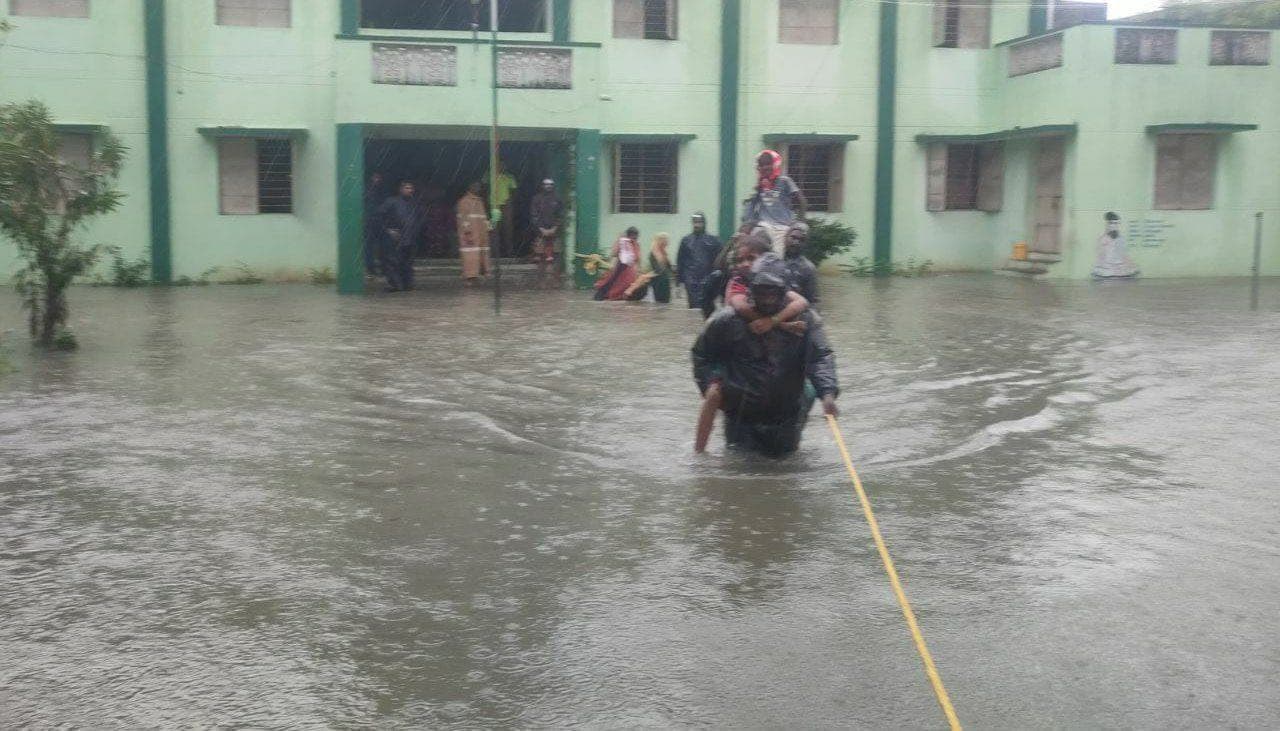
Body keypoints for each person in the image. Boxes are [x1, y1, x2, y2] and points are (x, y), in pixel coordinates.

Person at [691, 256, 840, 457]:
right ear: (751, 289)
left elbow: (821, 357)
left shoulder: (805, 320)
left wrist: (828, 394)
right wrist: (713, 385)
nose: (767, 298)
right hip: (741, 416)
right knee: (738, 466)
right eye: (762, 291)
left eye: (773, 292)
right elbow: (701, 354)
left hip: (787, 415)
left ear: (785, 291)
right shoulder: (728, 320)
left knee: (786, 468)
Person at [742, 149, 806, 254]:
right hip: (764, 225)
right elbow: (753, 205)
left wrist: (800, 225)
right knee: (753, 248)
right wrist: (747, 223)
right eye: (761, 165)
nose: (765, 167)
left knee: (777, 256)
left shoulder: (784, 181)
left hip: (783, 226)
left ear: (775, 164)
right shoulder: (760, 185)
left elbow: (802, 202)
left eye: (768, 164)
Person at [376, 180, 425, 292]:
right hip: (395, 239)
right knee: (393, 263)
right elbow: (378, 216)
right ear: (401, 189)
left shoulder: (415, 203)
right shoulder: (391, 202)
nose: (409, 190)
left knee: (408, 263)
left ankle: (408, 285)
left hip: (410, 239)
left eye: (411, 188)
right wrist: (388, 230)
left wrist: (417, 230)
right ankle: (396, 285)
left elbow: (421, 218)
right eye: (407, 188)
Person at [676, 212, 723, 310]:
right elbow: (680, 261)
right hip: (690, 279)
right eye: (694, 222)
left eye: (699, 222)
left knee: (706, 305)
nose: (696, 225)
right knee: (694, 306)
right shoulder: (686, 240)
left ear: (704, 223)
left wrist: (719, 281)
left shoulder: (713, 240)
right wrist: (678, 283)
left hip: (707, 278)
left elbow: (720, 260)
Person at [456, 181, 492, 284]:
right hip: (470, 235)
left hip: (481, 234)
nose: (478, 188)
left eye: (479, 187)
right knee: (470, 255)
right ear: (469, 187)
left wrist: (489, 227)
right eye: (475, 186)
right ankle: (470, 276)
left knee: (479, 254)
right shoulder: (464, 202)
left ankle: (477, 274)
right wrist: (467, 233)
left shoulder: (479, 201)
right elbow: (463, 220)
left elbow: (483, 218)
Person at [529, 178, 564, 285]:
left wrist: (554, 228)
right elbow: (534, 216)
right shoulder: (536, 199)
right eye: (546, 185)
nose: (548, 186)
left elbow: (561, 216)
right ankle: (541, 281)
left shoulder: (557, 199)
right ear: (542, 186)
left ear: (553, 186)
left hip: (555, 233)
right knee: (540, 257)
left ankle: (556, 280)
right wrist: (541, 229)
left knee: (556, 256)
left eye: (550, 185)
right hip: (540, 233)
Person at [624, 233, 675, 303]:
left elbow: (667, 267)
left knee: (663, 301)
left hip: (662, 279)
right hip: (659, 279)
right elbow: (658, 269)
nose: (668, 243)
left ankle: (630, 290)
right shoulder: (655, 252)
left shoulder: (663, 252)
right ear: (661, 241)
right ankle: (630, 291)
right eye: (666, 241)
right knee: (661, 301)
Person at [593, 227, 641, 301]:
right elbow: (615, 253)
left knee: (615, 284)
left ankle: (605, 297)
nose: (635, 237)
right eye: (635, 235)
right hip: (623, 269)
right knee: (614, 283)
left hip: (626, 270)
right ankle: (606, 297)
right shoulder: (630, 243)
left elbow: (614, 253)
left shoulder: (631, 244)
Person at [782, 221, 820, 307]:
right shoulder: (773, 260)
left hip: (796, 313)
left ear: (806, 243)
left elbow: (812, 301)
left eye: (801, 240)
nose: (796, 242)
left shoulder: (808, 268)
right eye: (793, 237)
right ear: (785, 237)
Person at [1092, 211, 1139, 279]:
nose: (1114, 225)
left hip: (1120, 266)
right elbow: (1101, 255)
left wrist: (1130, 264)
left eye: (1116, 223)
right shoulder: (1103, 239)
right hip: (1107, 267)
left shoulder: (1121, 239)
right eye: (1111, 223)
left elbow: (1124, 254)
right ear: (1107, 224)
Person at [487, 161, 518, 256]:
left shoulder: (510, 177)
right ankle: (494, 253)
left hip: (506, 205)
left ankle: (509, 252)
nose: (501, 167)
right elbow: (484, 188)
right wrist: (488, 201)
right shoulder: (488, 175)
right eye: (498, 165)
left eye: (503, 165)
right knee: (493, 229)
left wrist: (509, 203)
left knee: (507, 229)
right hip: (493, 205)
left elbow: (514, 191)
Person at [363, 172, 387, 275]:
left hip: (380, 221)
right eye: (375, 177)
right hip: (369, 221)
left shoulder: (382, 191)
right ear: (371, 178)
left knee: (383, 245)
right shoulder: (366, 190)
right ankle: (370, 268)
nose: (377, 179)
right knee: (369, 245)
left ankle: (383, 268)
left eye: (378, 177)